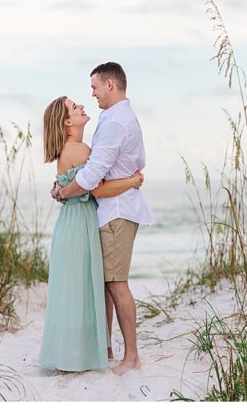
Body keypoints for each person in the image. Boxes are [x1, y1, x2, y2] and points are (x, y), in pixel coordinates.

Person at [54, 62, 156, 375]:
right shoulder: (113, 118)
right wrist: (65, 183)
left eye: (95, 87)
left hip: (117, 211)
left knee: (116, 284)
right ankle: (107, 348)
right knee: (106, 282)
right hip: (110, 210)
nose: (92, 94)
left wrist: (64, 191)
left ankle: (131, 358)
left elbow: (93, 179)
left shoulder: (115, 122)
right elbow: (85, 172)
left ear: (109, 85)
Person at [39, 96, 143, 374]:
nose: (82, 106)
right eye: (75, 107)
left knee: (82, 284)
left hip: (74, 220)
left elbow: (76, 184)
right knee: (80, 286)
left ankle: (97, 348)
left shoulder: (72, 148)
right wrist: (133, 181)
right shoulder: (78, 150)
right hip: (79, 222)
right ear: (67, 122)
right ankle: (77, 355)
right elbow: (98, 186)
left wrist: (61, 190)